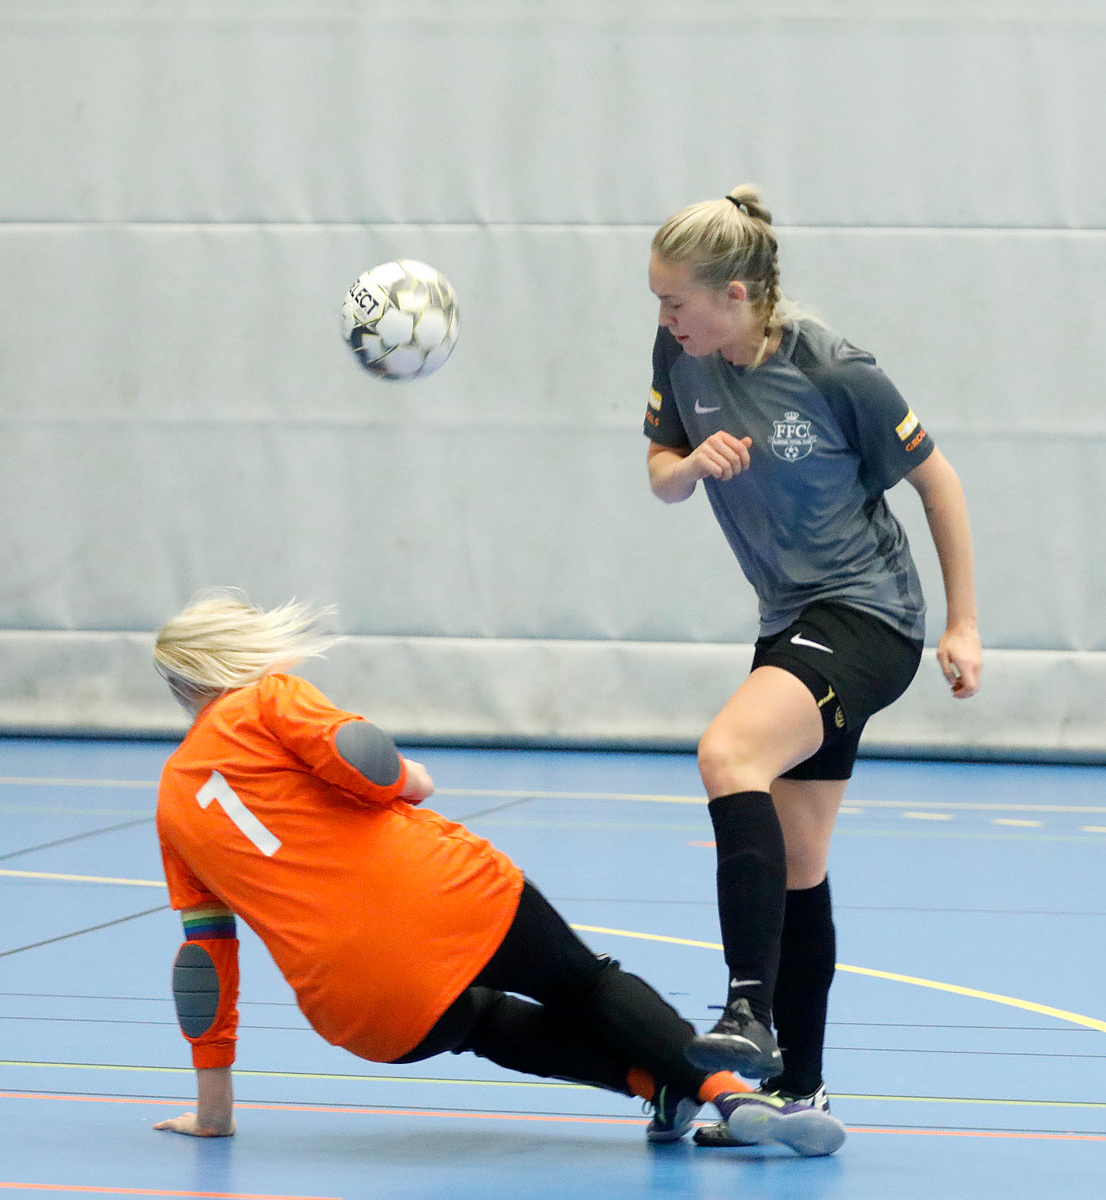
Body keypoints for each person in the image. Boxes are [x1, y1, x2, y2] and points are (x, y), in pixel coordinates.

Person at [146, 590, 848, 1156]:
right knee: (582, 982)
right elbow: (360, 754)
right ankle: (729, 1093)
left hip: (357, 1000)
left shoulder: (174, 802)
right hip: (444, 894)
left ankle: (659, 1088)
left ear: (183, 688)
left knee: (483, 1022)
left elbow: (204, 969)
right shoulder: (266, 699)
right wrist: (410, 778)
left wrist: (214, 1114)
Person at [643, 185, 983, 1146]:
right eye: (660, 303)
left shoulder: (835, 371)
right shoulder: (683, 355)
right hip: (790, 622)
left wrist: (963, 625)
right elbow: (662, 471)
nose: (664, 319)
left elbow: (938, 481)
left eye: (677, 301)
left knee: (728, 755)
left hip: (871, 618)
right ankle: (802, 1087)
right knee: (798, 860)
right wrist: (691, 465)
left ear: (739, 294)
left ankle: (748, 1011)